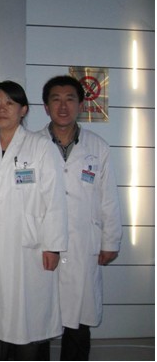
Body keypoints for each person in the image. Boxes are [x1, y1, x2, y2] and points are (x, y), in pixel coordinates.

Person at [0, 81, 68, 360]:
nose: (2, 109)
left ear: (23, 110)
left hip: (28, 245)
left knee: (26, 317)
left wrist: (53, 245)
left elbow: (54, 199)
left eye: (10, 103)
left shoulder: (41, 147)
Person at [40, 75, 122, 360]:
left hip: (82, 244)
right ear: (46, 107)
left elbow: (108, 198)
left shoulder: (97, 147)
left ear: (81, 105)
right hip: (42, 245)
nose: (63, 107)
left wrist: (111, 241)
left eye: (70, 99)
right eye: (56, 100)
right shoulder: (31, 145)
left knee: (78, 321)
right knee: (38, 318)